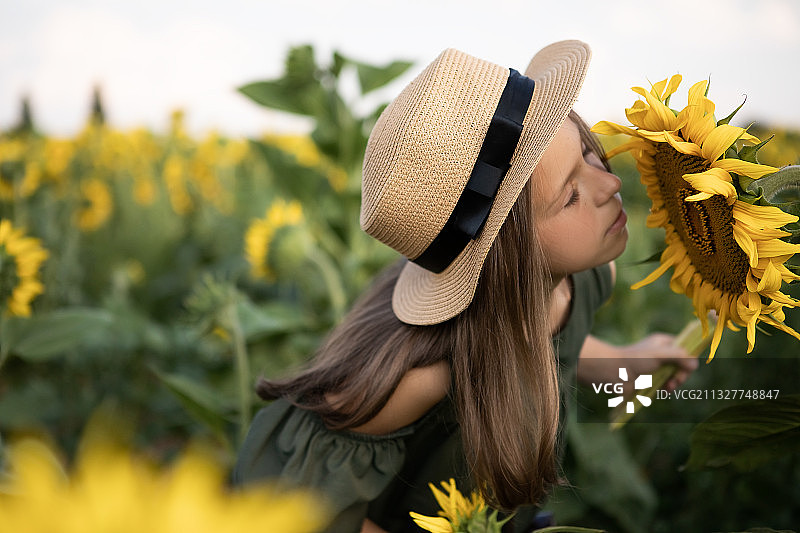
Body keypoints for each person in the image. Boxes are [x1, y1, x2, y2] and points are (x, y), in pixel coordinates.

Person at [233, 41, 698, 533]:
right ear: (508, 255)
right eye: (571, 196)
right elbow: (297, 503)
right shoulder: (421, 375)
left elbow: (550, 346)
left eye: (588, 154)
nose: (610, 185)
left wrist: (624, 363)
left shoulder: (583, 280)